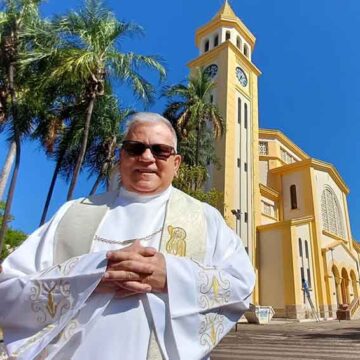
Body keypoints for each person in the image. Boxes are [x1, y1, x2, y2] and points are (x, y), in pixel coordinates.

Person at [0, 112, 255, 360]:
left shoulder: (203, 218)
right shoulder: (74, 213)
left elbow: (241, 286)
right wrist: (93, 276)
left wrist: (172, 276)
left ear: (176, 163)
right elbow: (7, 290)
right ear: (122, 156)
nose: (147, 157)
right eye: (135, 148)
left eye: (160, 150)